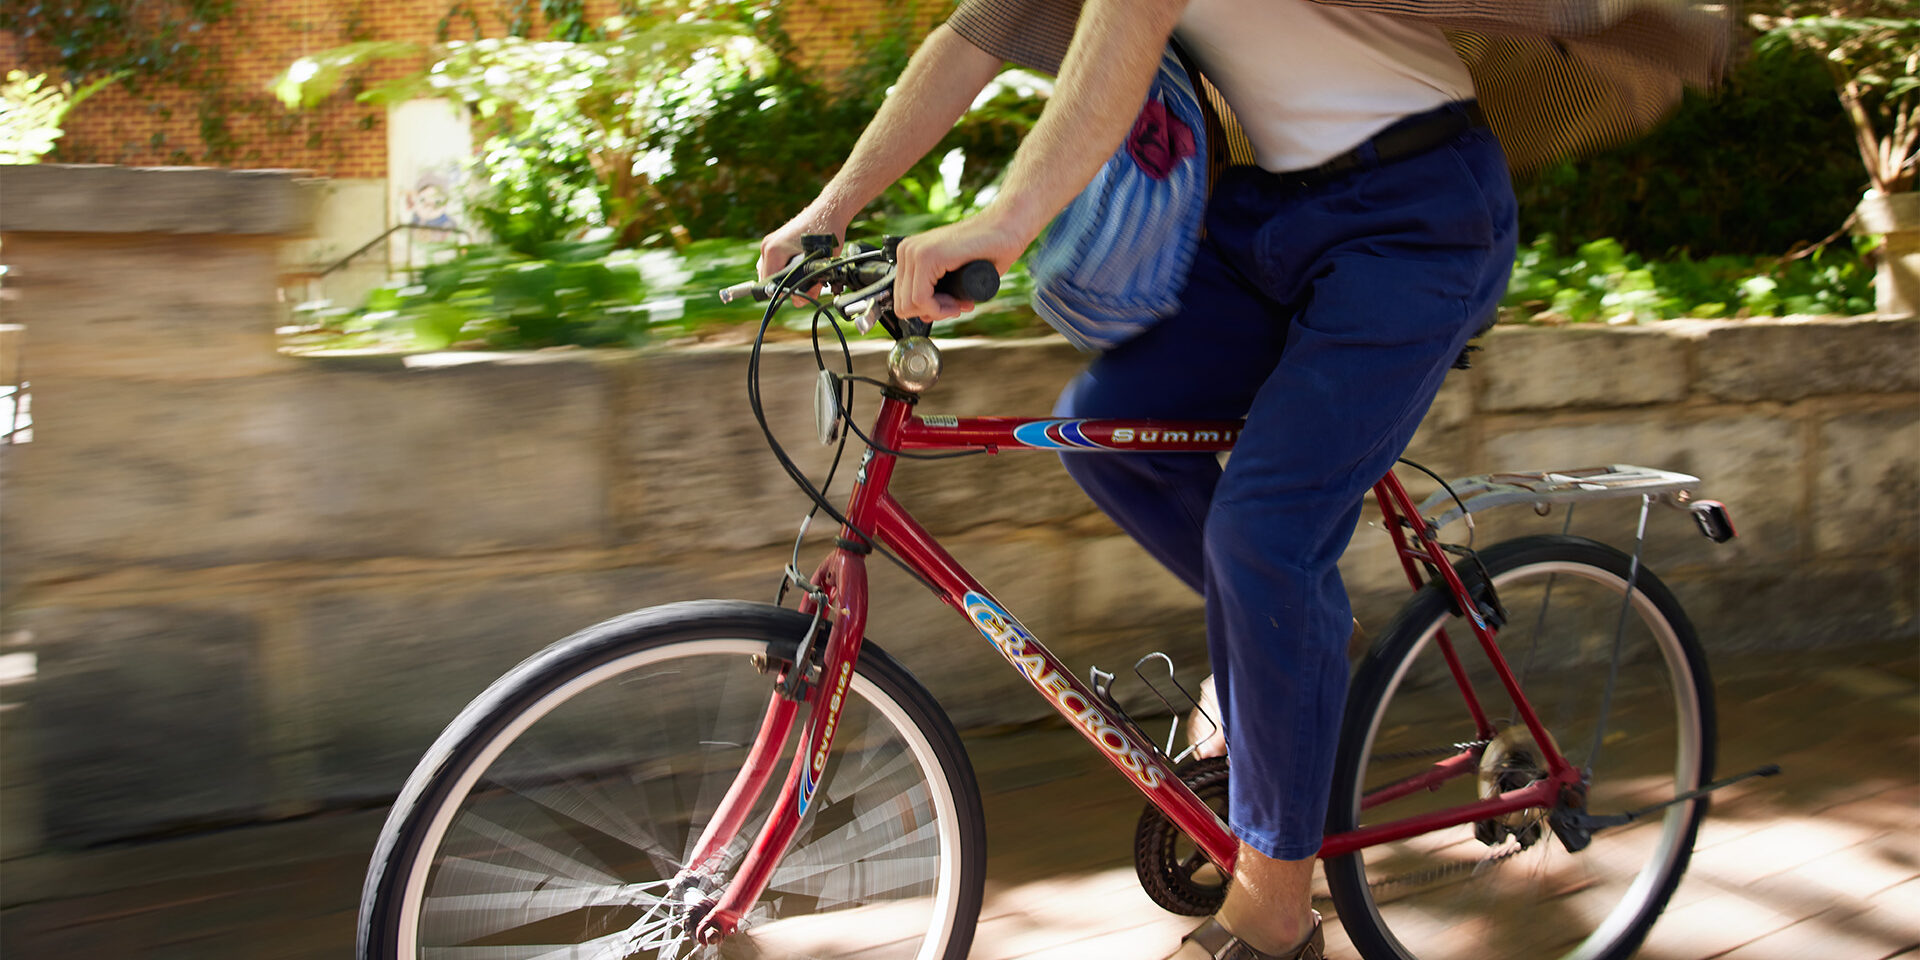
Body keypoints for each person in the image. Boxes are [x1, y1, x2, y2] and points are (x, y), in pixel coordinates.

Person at [759, 3, 1728, 957]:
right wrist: (826, 213)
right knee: (1105, 433)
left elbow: (1124, 40)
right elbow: (974, 38)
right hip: (1263, 216)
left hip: (1419, 216)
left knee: (1264, 534)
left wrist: (1007, 222)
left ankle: (1273, 915)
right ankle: (1294, 634)